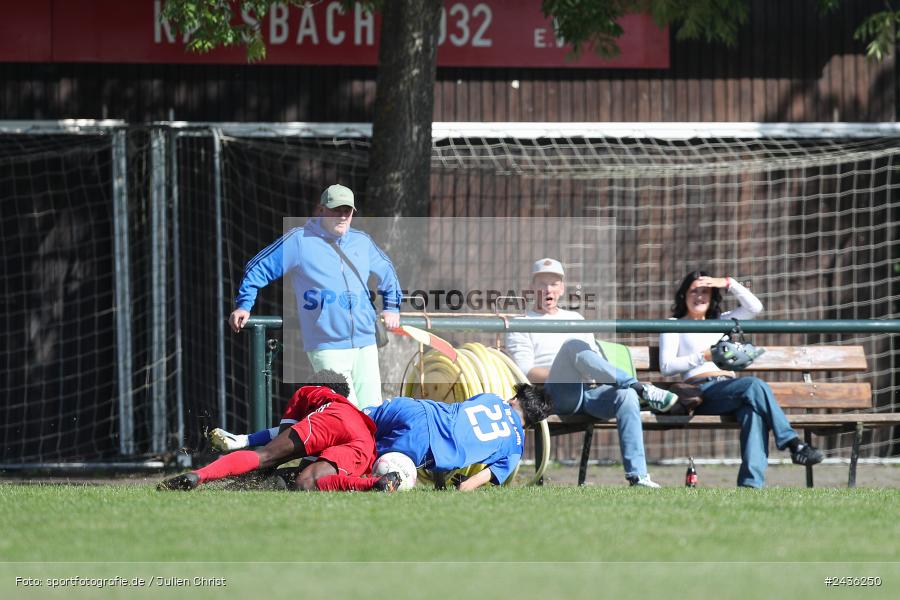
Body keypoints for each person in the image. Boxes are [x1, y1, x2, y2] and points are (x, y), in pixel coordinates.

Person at [505, 258, 677, 488]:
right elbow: (526, 372)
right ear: (531, 288)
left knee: (625, 397)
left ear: (562, 288)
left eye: (554, 283)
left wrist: (587, 373)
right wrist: (570, 372)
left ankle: (638, 476)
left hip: (589, 390)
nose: (548, 289)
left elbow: (593, 358)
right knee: (572, 346)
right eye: (542, 283)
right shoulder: (521, 323)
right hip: (553, 395)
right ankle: (639, 386)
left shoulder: (576, 319)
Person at [228, 184, 401, 408]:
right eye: (335, 209)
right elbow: (257, 267)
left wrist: (392, 307)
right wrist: (244, 305)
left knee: (373, 413)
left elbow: (387, 271)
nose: (342, 216)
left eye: (347, 210)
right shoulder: (299, 240)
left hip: (366, 343)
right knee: (346, 413)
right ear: (321, 209)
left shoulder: (362, 241)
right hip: (326, 346)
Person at [207, 384, 553, 492]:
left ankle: (246, 440)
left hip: (415, 409)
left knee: (343, 421)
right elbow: (466, 485)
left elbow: (457, 420)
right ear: (531, 424)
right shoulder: (515, 445)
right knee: (354, 462)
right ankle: (284, 478)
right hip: (422, 443)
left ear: (514, 398)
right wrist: (448, 483)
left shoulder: (492, 399)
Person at [658, 271, 824, 488]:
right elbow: (666, 366)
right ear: (684, 295)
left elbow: (755, 308)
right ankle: (793, 444)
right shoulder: (673, 324)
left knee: (753, 411)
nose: (699, 296)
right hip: (701, 391)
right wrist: (703, 356)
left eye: (705, 291)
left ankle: (750, 485)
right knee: (754, 385)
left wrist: (729, 283)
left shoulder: (722, 321)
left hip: (731, 388)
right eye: (694, 291)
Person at [157, 370, 401, 493]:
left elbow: (282, 440)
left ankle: (199, 476)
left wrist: (258, 463)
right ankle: (373, 485)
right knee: (306, 482)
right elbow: (306, 464)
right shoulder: (351, 409)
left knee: (264, 456)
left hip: (337, 421)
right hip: (364, 441)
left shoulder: (310, 392)